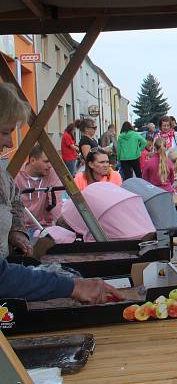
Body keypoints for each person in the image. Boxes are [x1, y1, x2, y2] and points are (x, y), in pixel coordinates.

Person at [0, 83, 122, 303]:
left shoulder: (3, 175)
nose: (9, 142)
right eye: (4, 132)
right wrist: (71, 286)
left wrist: (16, 230)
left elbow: (14, 202)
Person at [15, 144, 64, 233]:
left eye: (51, 162)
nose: (50, 165)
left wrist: (63, 225)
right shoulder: (16, 175)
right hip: (20, 228)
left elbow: (56, 202)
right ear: (33, 160)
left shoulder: (52, 173)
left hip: (44, 227)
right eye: (46, 161)